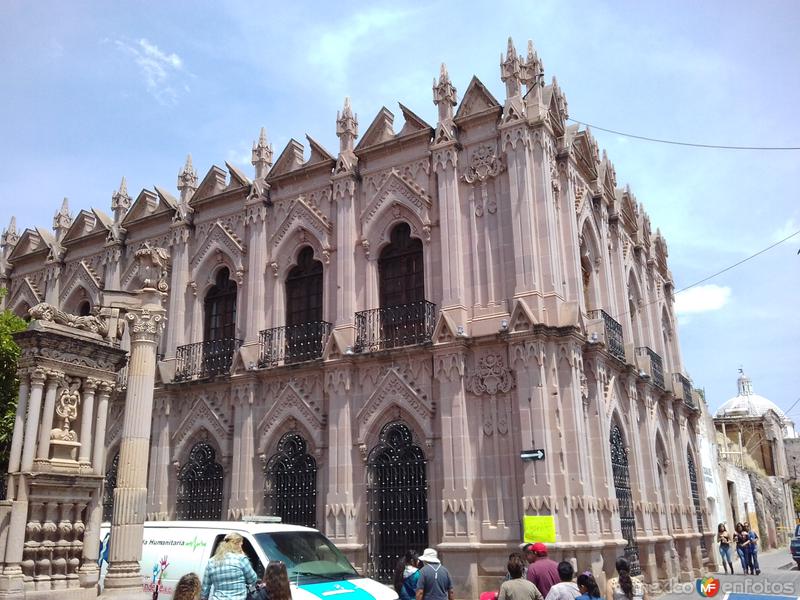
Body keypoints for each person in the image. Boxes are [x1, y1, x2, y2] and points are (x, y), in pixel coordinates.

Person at [201, 533, 259, 600]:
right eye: (241, 545)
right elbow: (252, 579)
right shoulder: (241, 559)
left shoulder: (211, 562)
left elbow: (205, 589)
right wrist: (244, 556)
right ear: (237, 544)